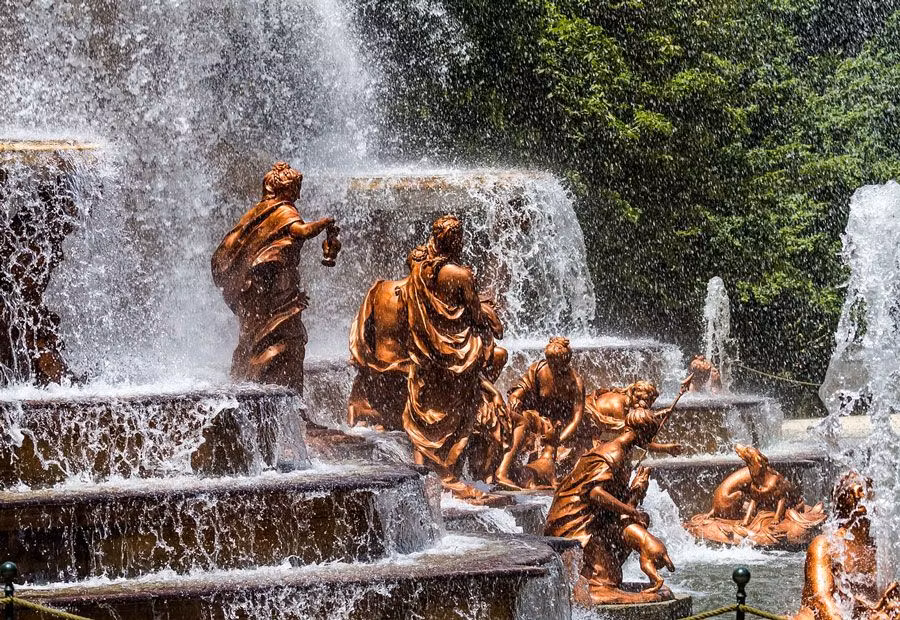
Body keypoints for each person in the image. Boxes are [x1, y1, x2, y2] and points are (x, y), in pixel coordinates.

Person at [544, 379, 689, 605]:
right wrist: (630, 510)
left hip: (595, 518)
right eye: (650, 437)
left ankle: (604, 574)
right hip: (573, 522)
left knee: (637, 526)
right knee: (604, 582)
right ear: (642, 435)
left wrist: (637, 490)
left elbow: (614, 501)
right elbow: (595, 494)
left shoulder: (624, 453)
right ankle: (600, 586)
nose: (650, 442)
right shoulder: (614, 454)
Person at [401, 215, 504, 503]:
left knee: (424, 417)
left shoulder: (419, 270)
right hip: (457, 357)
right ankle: (449, 476)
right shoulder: (460, 276)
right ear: (456, 242)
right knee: (456, 417)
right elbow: (474, 315)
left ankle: (422, 474)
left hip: (425, 354)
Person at [212, 162, 336, 395]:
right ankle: (287, 402)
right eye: (296, 188)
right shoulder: (284, 211)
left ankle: (253, 384)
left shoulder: (258, 212)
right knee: (288, 340)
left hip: (258, 288)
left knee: (256, 337)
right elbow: (301, 231)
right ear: (285, 189)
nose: (298, 193)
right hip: (276, 288)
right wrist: (324, 223)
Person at [794, 472, 900, 620]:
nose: (874, 503)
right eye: (863, 492)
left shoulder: (877, 550)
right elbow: (822, 602)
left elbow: (878, 600)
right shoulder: (825, 545)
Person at [494, 337, 585, 489]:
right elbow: (520, 389)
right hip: (538, 417)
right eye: (551, 362)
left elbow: (576, 419)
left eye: (557, 364)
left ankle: (515, 471)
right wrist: (515, 397)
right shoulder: (538, 369)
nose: (553, 367)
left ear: (566, 362)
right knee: (522, 418)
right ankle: (507, 464)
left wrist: (557, 440)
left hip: (561, 425)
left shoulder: (575, 381)